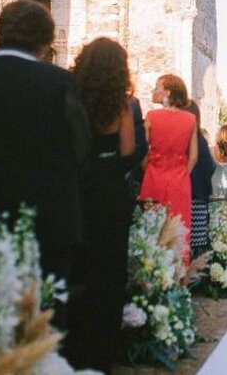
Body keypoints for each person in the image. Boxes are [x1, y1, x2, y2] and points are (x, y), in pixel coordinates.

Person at [0, 0, 91, 331]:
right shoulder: (60, 83)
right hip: (47, 219)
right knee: (42, 320)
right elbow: (81, 146)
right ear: (45, 41)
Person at [67, 37, 135, 374]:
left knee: (78, 265)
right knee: (109, 272)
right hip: (110, 196)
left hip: (78, 190)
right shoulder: (121, 106)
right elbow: (127, 152)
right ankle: (102, 351)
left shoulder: (73, 97)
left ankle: (73, 345)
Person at [140, 74, 198, 263]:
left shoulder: (151, 116)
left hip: (153, 177)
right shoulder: (190, 119)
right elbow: (193, 157)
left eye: (157, 87)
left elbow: (143, 151)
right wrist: (181, 174)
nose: (153, 90)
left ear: (168, 92)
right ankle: (179, 279)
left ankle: (152, 276)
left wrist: (147, 170)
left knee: (152, 227)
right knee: (178, 227)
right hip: (179, 181)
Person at [184, 100, 215, 259]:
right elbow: (210, 168)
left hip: (191, 198)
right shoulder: (201, 140)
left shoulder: (191, 140)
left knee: (188, 250)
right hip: (201, 199)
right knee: (196, 250)